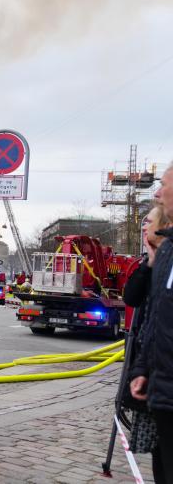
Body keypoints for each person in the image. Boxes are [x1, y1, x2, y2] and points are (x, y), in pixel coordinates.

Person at [130, 162, 173, 483]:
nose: (157, 192)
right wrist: (142, 369)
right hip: (161, 386)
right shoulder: (165, 254)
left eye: (164, 184)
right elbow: (150, 312)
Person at [123, 204, 171, 463]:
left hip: (162, 368)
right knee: (158, 451)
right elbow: (131, 297)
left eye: (148, 222)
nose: (143, 226)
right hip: (149, 364)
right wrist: (147, 265)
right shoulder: (151, 261)